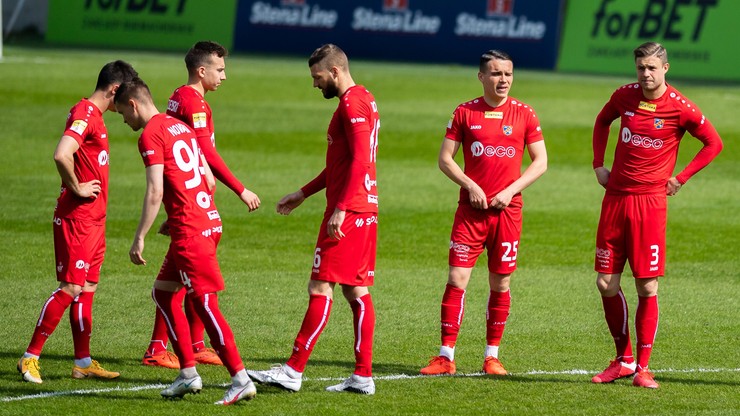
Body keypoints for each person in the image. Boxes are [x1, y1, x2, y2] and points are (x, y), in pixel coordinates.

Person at [247, 44, 379, 395]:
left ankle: (293, 370)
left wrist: (342, 208)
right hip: (361, 208)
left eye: (317, 77)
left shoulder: (351, 105)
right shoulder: (363, 99)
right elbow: (343, 161)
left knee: (321, 287)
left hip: (350, 210)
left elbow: (361, 160)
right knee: (356, 290)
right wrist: (304, 193)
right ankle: (363, 376)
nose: (315, 84)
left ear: (334, 71)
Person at [114, 78, 256, 405]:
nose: (124, 121)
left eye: (123, 113)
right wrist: (177, 215)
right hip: (200, 220)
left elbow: (155, 191)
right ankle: (188, 374)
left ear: (133, 104)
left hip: (192, 230)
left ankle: (240, 378)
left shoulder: (151, 135)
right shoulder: (180, 127)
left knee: (205, 305)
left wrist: (140, 237)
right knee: (163, 294)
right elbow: (205, 178)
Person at [590, 42, 722, 389]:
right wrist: (598, 164)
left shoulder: (681, 108)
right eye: (640, 68)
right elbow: (602, 121)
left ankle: (644, 368)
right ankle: (623, 359)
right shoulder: (624, 96)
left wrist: (681, 178)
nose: (645, 74)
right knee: (605, 282)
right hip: (616, 199)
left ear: (666, 68)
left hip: (650, 204)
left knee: (647, 286)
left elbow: (713, 143)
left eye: (651, 68)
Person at [420, 50, 547, 376]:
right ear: (481, 77)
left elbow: (541, 162)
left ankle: (492, 356)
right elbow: (445, 159)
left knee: (500, 282)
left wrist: (510, 190)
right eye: (495, 74)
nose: (502, 80)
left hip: (508, 212)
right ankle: (445, 356)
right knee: (457, 278)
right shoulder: (464, 112)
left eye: (507, 74)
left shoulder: (525, 114)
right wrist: (471, 185)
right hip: (470, 211)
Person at [17, 60, 138, 384]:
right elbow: (62, 153)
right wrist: (76, 186)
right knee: (70, 287)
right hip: (77, 218)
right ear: (115, 90)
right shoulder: (85, 113)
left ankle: (82, 362)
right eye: (125, 94)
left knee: (86, 289)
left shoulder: (95, 116)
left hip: (95, 220)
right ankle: (30, 357)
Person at [142, 40, 261, 369]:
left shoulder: (181, 97)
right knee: (187, 276)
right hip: (190, 204)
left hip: (189, 198)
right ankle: (159, 348)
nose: (225, 76)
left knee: (185, 277)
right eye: (220, 70)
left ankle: (192, 345)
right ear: (202, 70)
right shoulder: (193, 102)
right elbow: (205, 153)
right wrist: (241, 189)